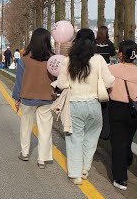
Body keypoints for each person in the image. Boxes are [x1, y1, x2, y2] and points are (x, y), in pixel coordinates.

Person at [56, 28, 114, 185]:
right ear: (93, 41)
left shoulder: (68, 60)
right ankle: (85, 168)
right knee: (91, 137)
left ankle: (75, 174)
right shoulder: (98, 60)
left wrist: (71, 84)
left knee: (74, 139)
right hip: (94, 104)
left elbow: (61, 84)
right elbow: (109, 81)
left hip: (74, 104)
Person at [12, 28, 55, 169]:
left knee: (25, 126)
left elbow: (19, 80)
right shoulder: (53, 59)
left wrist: (16, 97)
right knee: (45, 129)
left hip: (27, 97)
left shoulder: (24, 58)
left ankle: (25, 153)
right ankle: (42, 159)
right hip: (47, 98)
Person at [108, 40, 137, 190]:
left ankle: (120, 179)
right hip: (134, 110)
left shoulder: (112, 69)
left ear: (120, 54)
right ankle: (127, 160)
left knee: (118, 142)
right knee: (127, 139)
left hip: (117, 107)